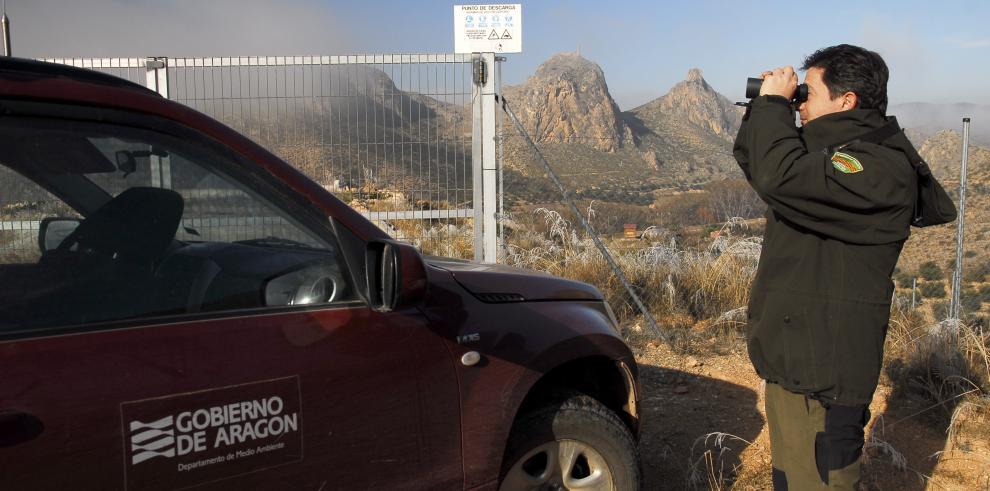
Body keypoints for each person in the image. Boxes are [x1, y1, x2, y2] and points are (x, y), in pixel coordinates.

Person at [733, 44, 916, 489]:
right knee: (792, 476)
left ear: (847, 100)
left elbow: (781, 176)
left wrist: (776, 105)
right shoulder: (837, 157)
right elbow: (764, 169)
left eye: (808, 92)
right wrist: (763, 111)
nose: (800, 101)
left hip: (823, 374)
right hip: (802, 359)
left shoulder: (878, 166)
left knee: (816, 479)